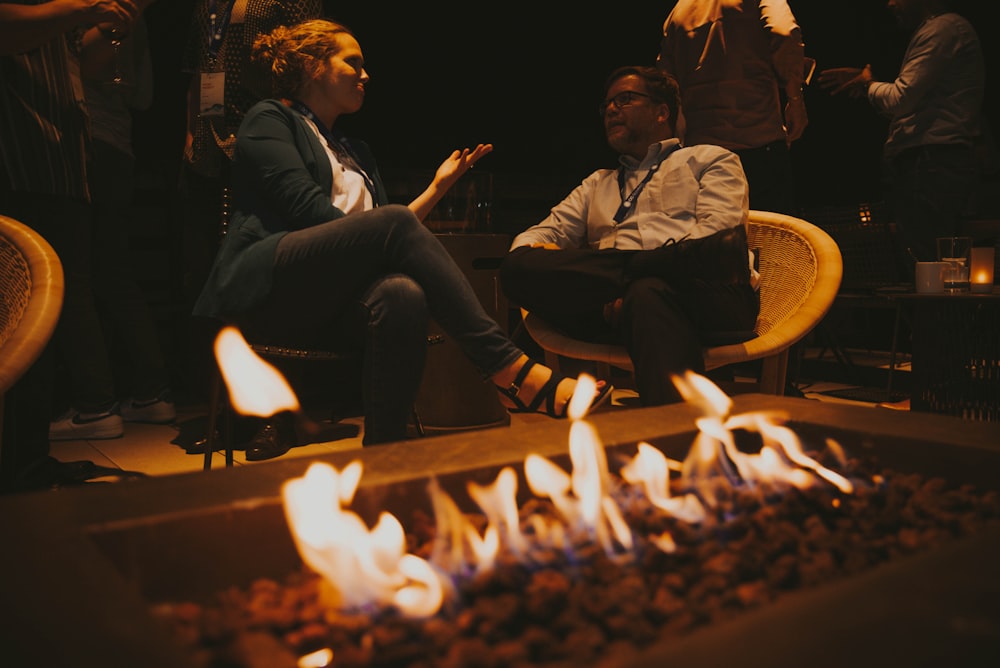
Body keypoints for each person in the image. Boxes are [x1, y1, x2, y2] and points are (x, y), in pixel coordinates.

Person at [192, 19, 611, 457]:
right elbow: (309, 215)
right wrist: (387, 226)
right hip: (270, 291)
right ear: (313, 66)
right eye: (352, 62)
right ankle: (509, 369)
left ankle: (386, 457)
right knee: (392, 232)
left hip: (335, 301)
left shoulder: (356, 152)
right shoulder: (270, 119)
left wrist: (437, 188)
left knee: (401, 293)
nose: (366, 75)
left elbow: (384, 232)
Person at [499, 66, 760, 407]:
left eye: (625, 100)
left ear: (661, 111)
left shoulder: (709, 159)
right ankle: (675, 432)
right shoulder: (598, 183)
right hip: (614, 305)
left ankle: (674, 435)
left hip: (709, 292)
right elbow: (542, 233)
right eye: (607, 104)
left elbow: (715, 242)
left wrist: (618, 276)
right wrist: (616, 280)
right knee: (517, 269)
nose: (610, 110)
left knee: (652, 287)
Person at [0, 0, 145, 492]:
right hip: (15, 158)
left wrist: (116, 20)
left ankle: (28, 462)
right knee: (11, 323)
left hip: (61, 162)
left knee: (42, 326)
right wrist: (85, 7)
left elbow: (87, 65)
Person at [178, 0, 323, 401]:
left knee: (263, 277)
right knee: (206, 277)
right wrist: (190, 140)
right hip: (207, 153)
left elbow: (308, 66)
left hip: (262, 139)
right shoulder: (208, 3)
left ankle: (272, 408)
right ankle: (218, 405)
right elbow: (197, 71)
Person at [48, 7, 178, 441]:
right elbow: (142, 96)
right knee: (114, 273)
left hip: (85, 141)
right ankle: (150, 392)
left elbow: (84, 65)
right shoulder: (130, 16)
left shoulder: (106, 12)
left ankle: (94, 404)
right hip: (118, 142)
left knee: (74, 274)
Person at [817, 0, 985, 265]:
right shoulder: (945, 29)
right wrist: (866, 87)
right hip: (934, 163)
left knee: (928, 263)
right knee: (934, 260)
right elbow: (910, 103)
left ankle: (935, 308)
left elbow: (900, 99)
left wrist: (868, 84)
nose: (890, 3)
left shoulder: (942, 29)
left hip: (931, 163)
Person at [657, 0, 808, 215]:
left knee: (716, 241)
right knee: (769, 237)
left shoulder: (678, 11)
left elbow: (666, 83)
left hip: (701, 156)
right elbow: (784, 33)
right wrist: (795, 99)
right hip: (759, 145)